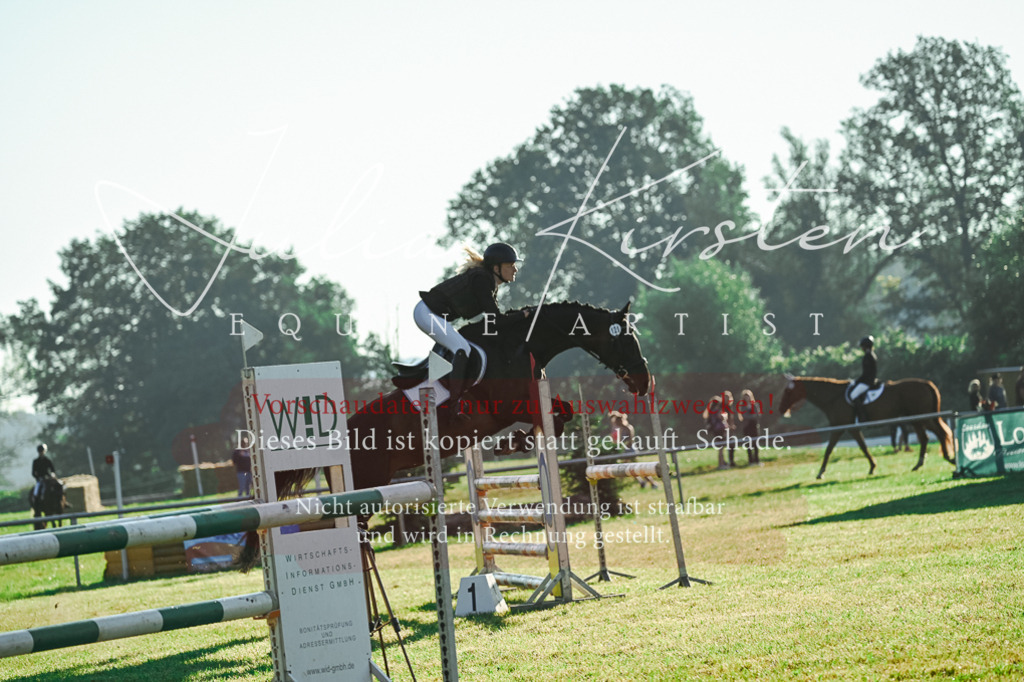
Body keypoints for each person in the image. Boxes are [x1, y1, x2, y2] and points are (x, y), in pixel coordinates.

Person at [416, 243, 528, 416]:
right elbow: (497, 320)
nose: (515, 270)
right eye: (510, 265)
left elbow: (493, 320)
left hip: (434, 315)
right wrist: (523, 315)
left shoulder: (488, 281)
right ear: (496, 268)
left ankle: (440, 390)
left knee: (460, 347)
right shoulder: (482, 280)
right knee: (462, 349)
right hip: (427, 314)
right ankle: (454, 404)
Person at [608, 411, 657, 489]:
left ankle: (652, 483)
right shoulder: (620, 429)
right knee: (630, 469)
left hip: (630, 450)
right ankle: (641, 481)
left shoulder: (628, 427)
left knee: (637, 468)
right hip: (625, 451)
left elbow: (631, 440)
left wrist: (623, 446)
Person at [850, 336, 877, 423]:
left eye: (862, 346)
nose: (861, 348)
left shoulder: (868, 356)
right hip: (869, 380)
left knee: (853, 395)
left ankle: (862, 416)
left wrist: (856, 381)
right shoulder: (871, 354)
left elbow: (866, 373)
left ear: (865, 346)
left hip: (868, 382)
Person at [703, 395, 729, 470]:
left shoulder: (710, 411)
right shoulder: (717, 411)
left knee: (720, 447)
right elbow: (722, 418)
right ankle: (721, 464)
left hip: (715, 430)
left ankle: (722, 462)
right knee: (721, 448)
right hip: (720, 430)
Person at [737, 389, 762, 465]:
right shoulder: (742, 406)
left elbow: (758, 415)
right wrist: (752, 416)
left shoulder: (754, 405)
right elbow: (744, 416)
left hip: (754, 426)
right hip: (747, 427)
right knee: (748, 444)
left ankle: (757, 460)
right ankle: (750, 460)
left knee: (755, 443)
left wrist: (750, 416)